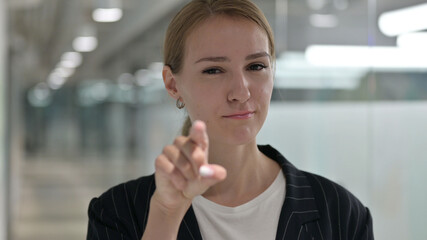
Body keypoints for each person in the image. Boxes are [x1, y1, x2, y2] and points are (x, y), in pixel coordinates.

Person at [87, 0, 374, 239]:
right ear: (173, 84)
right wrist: (165, 214)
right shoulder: (117, 213)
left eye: (256, 66)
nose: (241, 91)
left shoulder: (340, 213)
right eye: (214, 70)